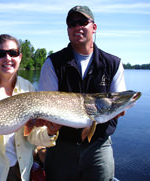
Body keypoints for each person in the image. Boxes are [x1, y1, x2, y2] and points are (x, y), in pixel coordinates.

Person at [38, 5, 126, 181]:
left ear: (94, 27)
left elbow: (118, 102)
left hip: (99, 146)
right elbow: (44, 104)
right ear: (68, 30)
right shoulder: (54, 63)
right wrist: (47, 125)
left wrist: (119, 108)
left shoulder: (112, 63)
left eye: (83, 22)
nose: (77, 27)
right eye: (72, 24)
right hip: (61, 146)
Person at [0, 34, 58, 181]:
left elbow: (34, 137)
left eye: (13, 53)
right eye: (0, 54)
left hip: (21, 170)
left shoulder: (28, 88)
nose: (7, 58)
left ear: (20, 57)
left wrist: (51, 132)